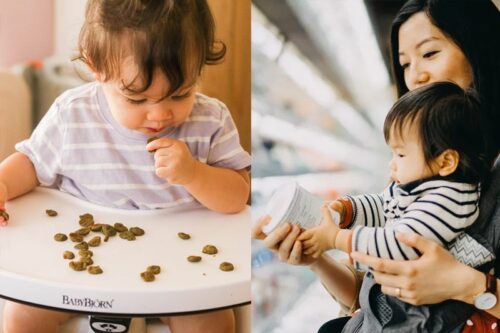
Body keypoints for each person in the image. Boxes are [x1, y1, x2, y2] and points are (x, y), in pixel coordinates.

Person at [0, 1, 250, 333]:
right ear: (95, 67)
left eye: (180, 94)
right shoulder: (72, 115)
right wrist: (2, 184)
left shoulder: (211, 121)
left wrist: (194, 174)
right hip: (80, 268)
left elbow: (237, 194)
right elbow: (31, 164)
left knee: (215, 322)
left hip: (180, 272)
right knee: (19, 316)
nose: (160, 115)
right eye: (137, 99)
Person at [253, 0, 500, 331]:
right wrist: (318, 259)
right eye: (405, 64)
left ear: (480, 51)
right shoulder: (423, 166)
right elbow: (376, 302)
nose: (417, 76)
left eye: (429, 54)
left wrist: (471, 287)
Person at [299, 82, 490, 331]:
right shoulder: (423, 187)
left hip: (419, 321)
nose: (393, 165)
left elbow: (399, 245)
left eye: (400, 155)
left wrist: (337, 238)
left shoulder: (449, 201)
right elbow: (384, 205)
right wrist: (347, 211)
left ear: (446, 161)